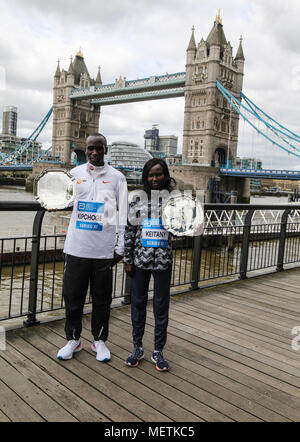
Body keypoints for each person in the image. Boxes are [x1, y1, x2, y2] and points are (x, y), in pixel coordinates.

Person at [57, 133, 128, 362]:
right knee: (72, 298)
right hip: (76, 247)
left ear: (106, 149)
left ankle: (99, 342)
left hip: (102, 251)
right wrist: (53, 204)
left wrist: (120, 248)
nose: (94, 153)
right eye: (90, 149)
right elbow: (64, 199)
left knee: (102, 301)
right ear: (85, 150)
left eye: (99, 148)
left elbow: (124, 215)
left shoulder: (118, 178)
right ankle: (73, 340)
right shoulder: (74, 174)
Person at [123, 158, 175, 371]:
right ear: (146, 177)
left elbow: (182, 227)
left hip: (163, 260)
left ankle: (158, 350)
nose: (154, 179)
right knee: (137, 304)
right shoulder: (137, 199)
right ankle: (137, 347)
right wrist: (127, 259)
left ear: (165, 176)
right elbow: (129, 230)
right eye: (151, 175)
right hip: (140, 260)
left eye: (158, 174)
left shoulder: (174, 200)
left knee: (161, 306)